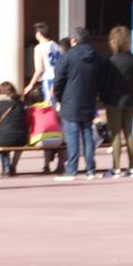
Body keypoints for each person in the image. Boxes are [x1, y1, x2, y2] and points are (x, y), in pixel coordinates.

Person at [52, 26, 107, 181]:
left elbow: (58, 80)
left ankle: (71, 170)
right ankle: (90, 169)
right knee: (87, 134)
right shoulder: (96, 57)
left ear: (73, 40)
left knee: (72, 136)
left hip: (70, 100)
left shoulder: (67, 57)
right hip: (89, 99)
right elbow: (103, 77)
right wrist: (97, 93)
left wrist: (59, 98)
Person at [102, 24, 133, 178]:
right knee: (129, 133)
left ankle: (116, 167)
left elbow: (105, 82)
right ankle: (132, 167)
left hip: (114, 100)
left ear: (113, 41)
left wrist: (104, 96)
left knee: (115, 134)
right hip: (130, 99)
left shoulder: (110, 61)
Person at [0, 82, 27, 176]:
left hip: (2, 138)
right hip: (20, 138)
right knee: (17, 142)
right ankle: (13, 166)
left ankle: (6, 166)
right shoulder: (20, 104)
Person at [23, 23, 61, 103]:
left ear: (39, 33)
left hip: (48, 79)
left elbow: (39, 69)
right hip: (59, 78)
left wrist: (30, 84)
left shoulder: (39, 48)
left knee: (49, 105)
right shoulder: (56, 45)